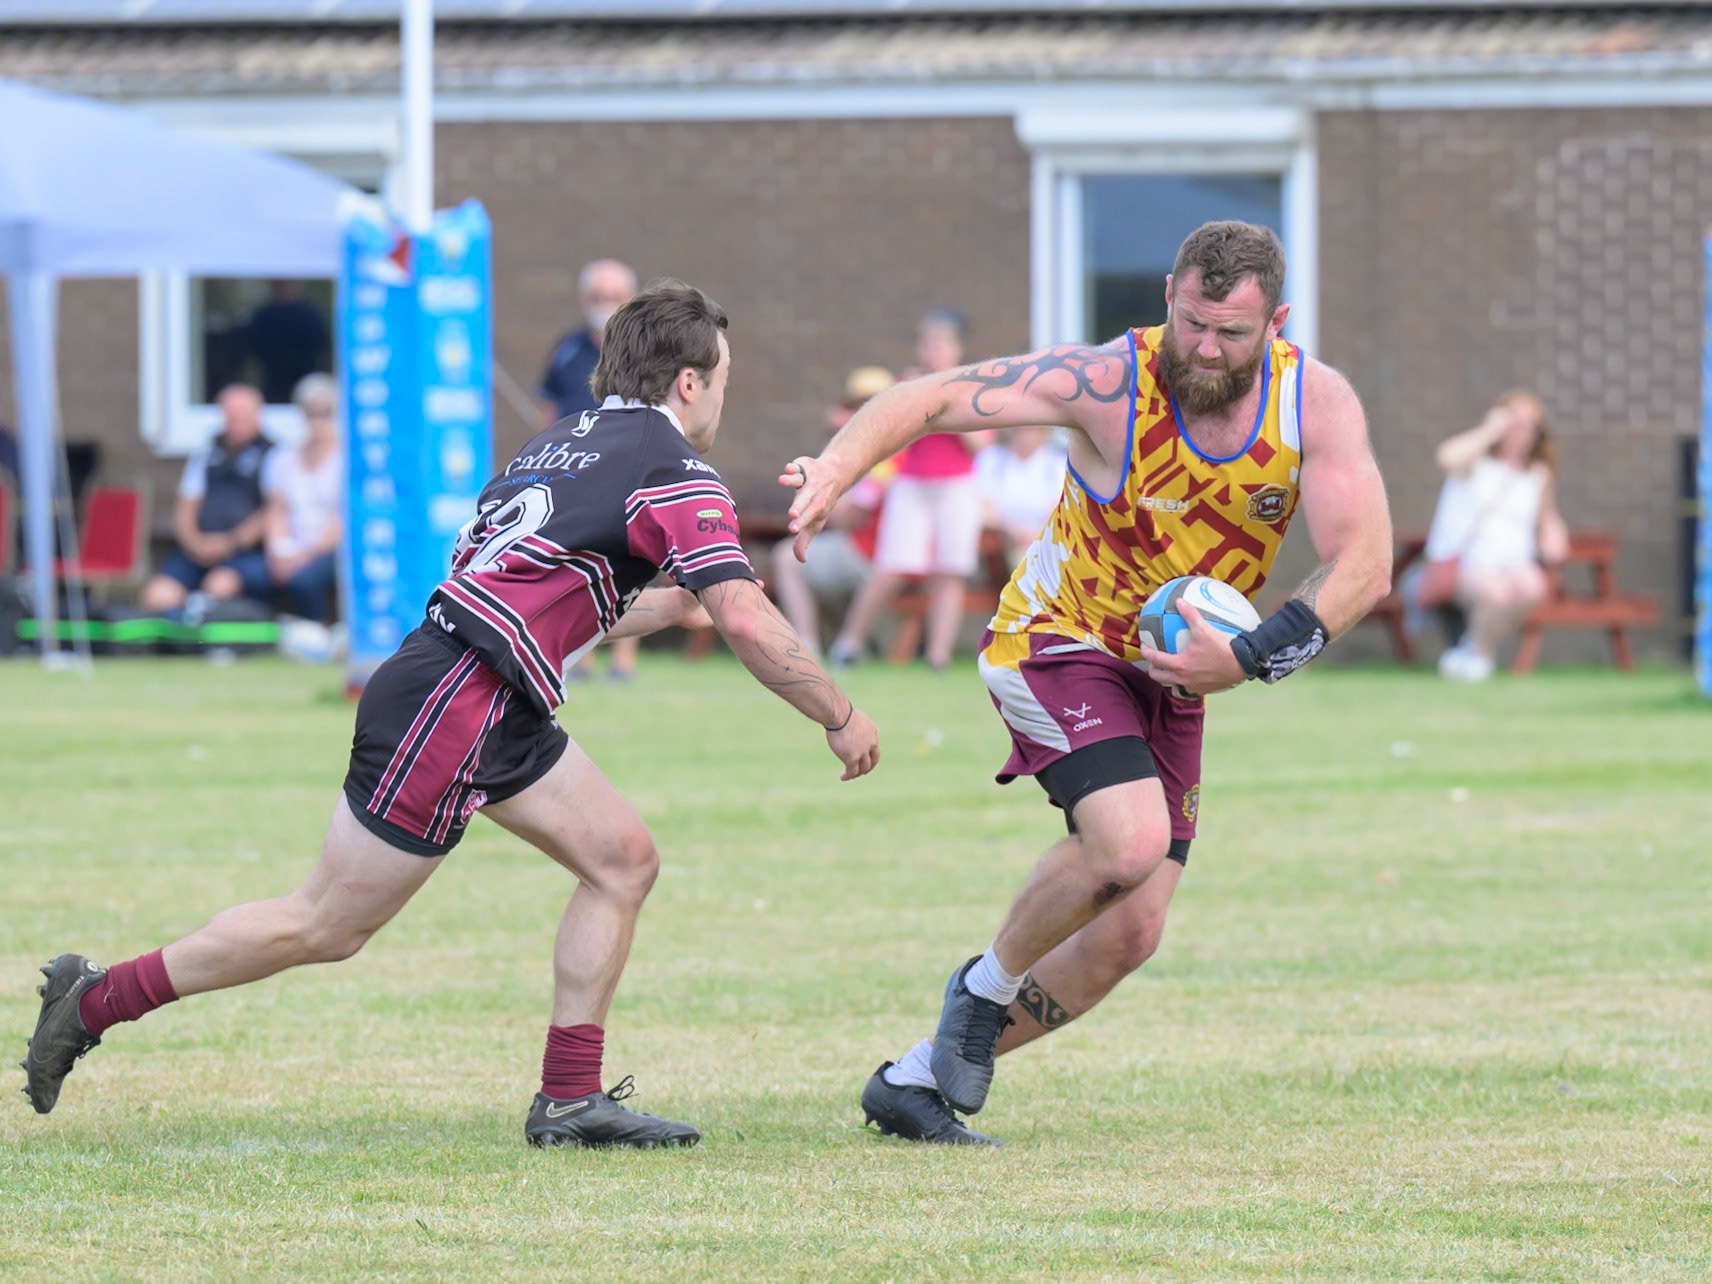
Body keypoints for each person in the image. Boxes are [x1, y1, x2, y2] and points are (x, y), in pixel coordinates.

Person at [25, 281, 880, 1150]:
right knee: (327, 924)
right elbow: (747, 619)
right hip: (460, 697)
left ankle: (570, 1098)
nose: (724, 396)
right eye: (724, 378)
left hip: (482, 690)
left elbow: (542, 595)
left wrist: (676, 606)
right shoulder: (674, 469)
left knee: (622, 861)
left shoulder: (558, 446)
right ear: (689, 382)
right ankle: (96, 999)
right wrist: (838, 712)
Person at [783, 221, 1392, 1144]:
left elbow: (1365, 564)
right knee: (1129, 840)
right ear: (1169, 297)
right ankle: (982, 992)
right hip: (1057, 637)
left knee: (1129, 933)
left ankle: (915, 1079)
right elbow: (933, 397)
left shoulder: (1317, 401)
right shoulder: (1110, 381)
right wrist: (836, 467)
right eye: (1193, 323)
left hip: (1177, 670)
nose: (1206, 348)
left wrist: (1250, 657)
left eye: (1232, 332)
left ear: (1277, 324)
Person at [828, 310, 992, 670]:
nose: (935, 350)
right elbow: (887, 437)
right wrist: (919, 398)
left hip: (957, 484)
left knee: (951, 569)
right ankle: (848, 644)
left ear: (957, 349)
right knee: (891, 566)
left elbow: (981, 445)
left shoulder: (972, 385)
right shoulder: (907, 384)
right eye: (929, 343)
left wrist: (950, 399)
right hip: (911, 483)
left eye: (942, 343)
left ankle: (938, 656)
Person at [539, 258, 642, 681]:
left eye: (614, 297)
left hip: (625, 472)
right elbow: (549, 411)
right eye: (598, 297)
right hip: (572, 474)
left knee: (632, 561)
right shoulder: (566, 349)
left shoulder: (644, 352)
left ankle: (623, 664)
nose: (605, 304)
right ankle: (581, 659)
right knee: (574, 562)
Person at [1425, 392, 1568, 682]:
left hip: (1514, 561)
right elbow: (1446, 457)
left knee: (1532, 587)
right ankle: (1479, 657)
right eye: (1514, 421)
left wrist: (1554, 536)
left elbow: (1546, 516)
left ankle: (1473, 650)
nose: (1520, 431)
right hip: (1467, 562)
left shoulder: (1537, 474)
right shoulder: (1474, 462)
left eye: (1528, 425)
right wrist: (1489, 431)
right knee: (1496, 594)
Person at [769, 366, 896, 658]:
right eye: (856, 407)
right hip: (877, 554)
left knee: (787, 557)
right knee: (794, 555)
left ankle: (808, 647)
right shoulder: (890, 447)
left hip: (873, 554)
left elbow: (846, 517)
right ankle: (824, 646)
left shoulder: (882, 452)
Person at [140, 384, 275, 615]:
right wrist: (194, 542)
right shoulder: (206, 452)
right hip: (198, 550)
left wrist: (230, 542)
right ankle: (180, 633)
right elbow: (186, 504)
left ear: (258, 416)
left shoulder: (274, 455)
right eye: (231, 417)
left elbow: (272, 511)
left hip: (245, 553)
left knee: (219, 587)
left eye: (242, 418)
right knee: (158, 594)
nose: (236, 424)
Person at [263, 374, 343, 622]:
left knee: (304, 580)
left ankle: (316, 630)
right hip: (291, 548)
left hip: (329, 550)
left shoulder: (348, 460)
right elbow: (277, 510)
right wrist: (277, 551)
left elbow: (340, 521)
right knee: (252, 574)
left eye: (325, 413)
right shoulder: (282, 458)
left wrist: (303, 557)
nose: (317, 421)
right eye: (311, 413)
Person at [973, 425, 1069, 566]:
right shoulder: (991, 458)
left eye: (1032, 429)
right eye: (1020, 428)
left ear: (1044, 433)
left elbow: (1058, 510)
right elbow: (983, 508)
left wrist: (1035, 535)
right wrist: (1010, 530)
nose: (1025, 435)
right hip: (1000, 538)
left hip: (1045, 539)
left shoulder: (1057, 464)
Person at [246, 280, 331, 407]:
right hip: (274, 381)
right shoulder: (263, 316)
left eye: (289, 284)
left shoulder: (310, 315)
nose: (285, 288)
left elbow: (322, 346)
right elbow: (254, 346)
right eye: (280, 284)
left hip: (305, 378)